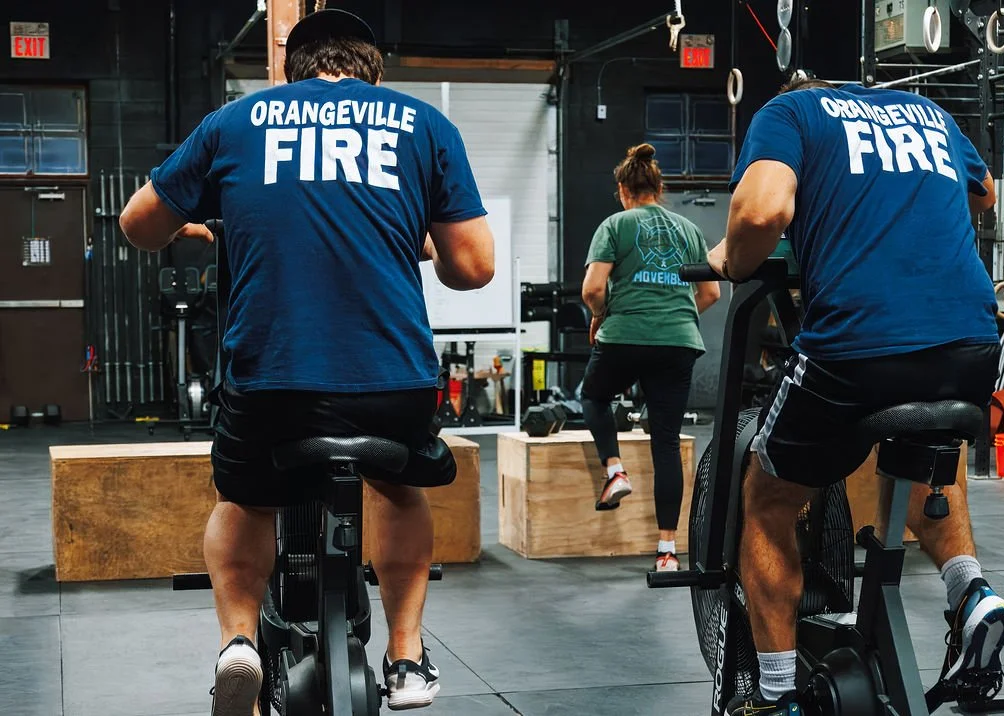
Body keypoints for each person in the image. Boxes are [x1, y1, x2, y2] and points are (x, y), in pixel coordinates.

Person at [119, 9, 494, 715]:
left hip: (272, 381)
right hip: (393, 382)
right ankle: (407, 655)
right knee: (398, 487)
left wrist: (203, 217)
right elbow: (473, 267)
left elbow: (139, 226)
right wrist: (408, 235)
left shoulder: (236, 121)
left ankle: (237, 645)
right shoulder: (424, 125)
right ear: (372, 70)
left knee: (244, 499)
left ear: (290, 70)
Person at [713, 75, 1004, 715]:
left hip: (856, 348)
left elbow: (763, 210)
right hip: (969, 342)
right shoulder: (927, 110)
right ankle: (972, 592)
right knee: (926, 455)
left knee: (768, 495)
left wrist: (733, 261)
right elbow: (983, 192)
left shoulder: (790, 111)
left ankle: (774, 698)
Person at [580, 143, 721, 572]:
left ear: (625, 189)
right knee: (666, 443)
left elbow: (591, 289)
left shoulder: (615, 224)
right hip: (678, 342)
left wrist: (602, 315)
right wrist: (674, 317)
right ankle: (666, 552)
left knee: (593, 396)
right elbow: (711, 292)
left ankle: (616, 471)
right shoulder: (690, 230)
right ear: (659, 188)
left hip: (625, 334)